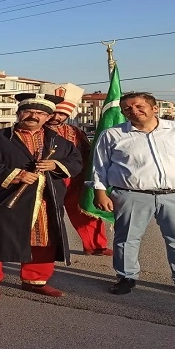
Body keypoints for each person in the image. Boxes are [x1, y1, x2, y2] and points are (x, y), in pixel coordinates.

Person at [92, 92, 175, 298]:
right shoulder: (112, 135)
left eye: (139, 106)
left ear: (155, 108)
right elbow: (99, 166)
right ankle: (126, 277)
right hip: (131, 195)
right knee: (126, 239)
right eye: (127, 108)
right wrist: (100, 193)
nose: (133, 111)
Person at [0, 93, 82, 300]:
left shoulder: (59, 142)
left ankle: (35, 280)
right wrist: (15, 174)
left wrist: (56, 165)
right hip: (4, 198)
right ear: (19, 113)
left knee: (43, 239)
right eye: (28, 111)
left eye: (40, 113)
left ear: (48, 117)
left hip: (44, 200)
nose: (33, 116)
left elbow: (76, 162)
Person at [41, 83, 112, 256]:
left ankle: (95, 246)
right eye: (53, 112)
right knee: (44, 215)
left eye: (62, 114)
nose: (56, 117)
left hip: (74, 178)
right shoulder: (34, 130)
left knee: (85, 211)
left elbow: (87, 153)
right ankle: (42, 248)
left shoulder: (74, 131)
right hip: (44, 180)